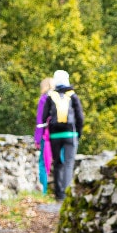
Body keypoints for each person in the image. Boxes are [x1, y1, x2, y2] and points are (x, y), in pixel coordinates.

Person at [40, 70, 83, 200]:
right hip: (70, 133)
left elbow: (43, 117)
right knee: (69, 163)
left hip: (55, 135)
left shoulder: (50, 96)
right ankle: (67, 193)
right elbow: (80, 117)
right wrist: (78, 134)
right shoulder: (72, 95)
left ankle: (59, 195)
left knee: (58, 163)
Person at [34, 76, 54, 194]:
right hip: (58, 134)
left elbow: (40, 121)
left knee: (43, 162)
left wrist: (37, 139)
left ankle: (44, 191)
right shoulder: (58, 98)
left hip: (45, 136)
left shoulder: (44, 99)